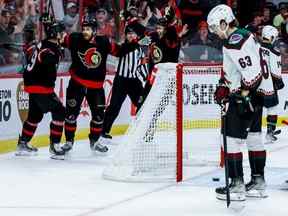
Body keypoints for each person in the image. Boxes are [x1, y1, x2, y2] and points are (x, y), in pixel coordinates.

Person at [208, 4, 272, 201]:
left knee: (229, 140)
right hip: (258, 96)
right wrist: (224, 84)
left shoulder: (233, 42)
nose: (213, 32)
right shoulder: (246, 34)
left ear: (224, 22)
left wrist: (240, 94)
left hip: (245, 96)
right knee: (254, 138)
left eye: (214, 27)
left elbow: (252, 75)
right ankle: (258, 182)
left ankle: (236, 186)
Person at [16, 14, 66, 160]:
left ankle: (23, 144)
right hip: (40, 87)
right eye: (60, 33)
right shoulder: (49, 50)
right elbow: (46, 58)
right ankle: (54, 146)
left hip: (34, 86)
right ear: (54, 34)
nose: (63, 35)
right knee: (60, 111)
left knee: (35, 115)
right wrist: (56, 54)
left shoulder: (44, 44)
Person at [61, 16, 112, 153]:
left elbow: (119, 51)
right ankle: (69, 142)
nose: (85, 31)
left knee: (99, 116)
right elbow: (60, 39)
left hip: (96, 87)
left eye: (88, 29)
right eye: (83, 28)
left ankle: (94, 141)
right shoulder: (74, 39)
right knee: (71, 115)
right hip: (76, 83)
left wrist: (135, 43)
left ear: (94, 30)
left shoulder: (104, 42)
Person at [99, 24, 149, 142]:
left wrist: (145, 77)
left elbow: (141, 64)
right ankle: (103, 131)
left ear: (137, 35)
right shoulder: (124, 46)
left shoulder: (140, 48)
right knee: (114, 107)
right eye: (128, 33)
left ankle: (141, 130)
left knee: (143, 105)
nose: (130, 35)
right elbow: (122, 51)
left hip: (134, 82)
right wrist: (139, 41)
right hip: (121, 81)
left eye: (133, 33)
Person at [138, 17, 181, 109]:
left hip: (166, 78)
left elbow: (173, 42)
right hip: (153, 77)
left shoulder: (170, 39)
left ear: (166, 29)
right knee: (143, 102)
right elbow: (140, 42)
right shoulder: (153, 36)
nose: (158, 30)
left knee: (160, 105)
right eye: (157, 28)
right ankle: (139, 120)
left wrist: (171, 25)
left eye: (160, 28)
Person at [260, 25, 284, 143]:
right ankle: (270, 132)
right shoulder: (274, 52)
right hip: (268, 84)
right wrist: (279, 83)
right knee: (272, 107)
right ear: (272, 37)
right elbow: (276, 73)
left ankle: (248, 131)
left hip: (254, 83)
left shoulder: (254, 48)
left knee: (254, 108)